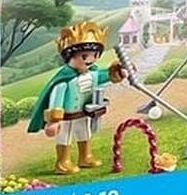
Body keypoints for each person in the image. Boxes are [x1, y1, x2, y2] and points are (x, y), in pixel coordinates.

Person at [27, 21, 128, 175]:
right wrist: (53, 121)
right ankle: (63, 162)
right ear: (70, 55)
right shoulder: (64, 80)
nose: (90, 59)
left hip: (84, 113)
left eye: (95, 55)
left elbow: (105, 75)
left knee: (85, 133)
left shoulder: (92, 74)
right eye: (85, 56)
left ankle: (85, 157)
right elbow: (56, 98)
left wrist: (118, 72)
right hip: (67, 117)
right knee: (65, 137)